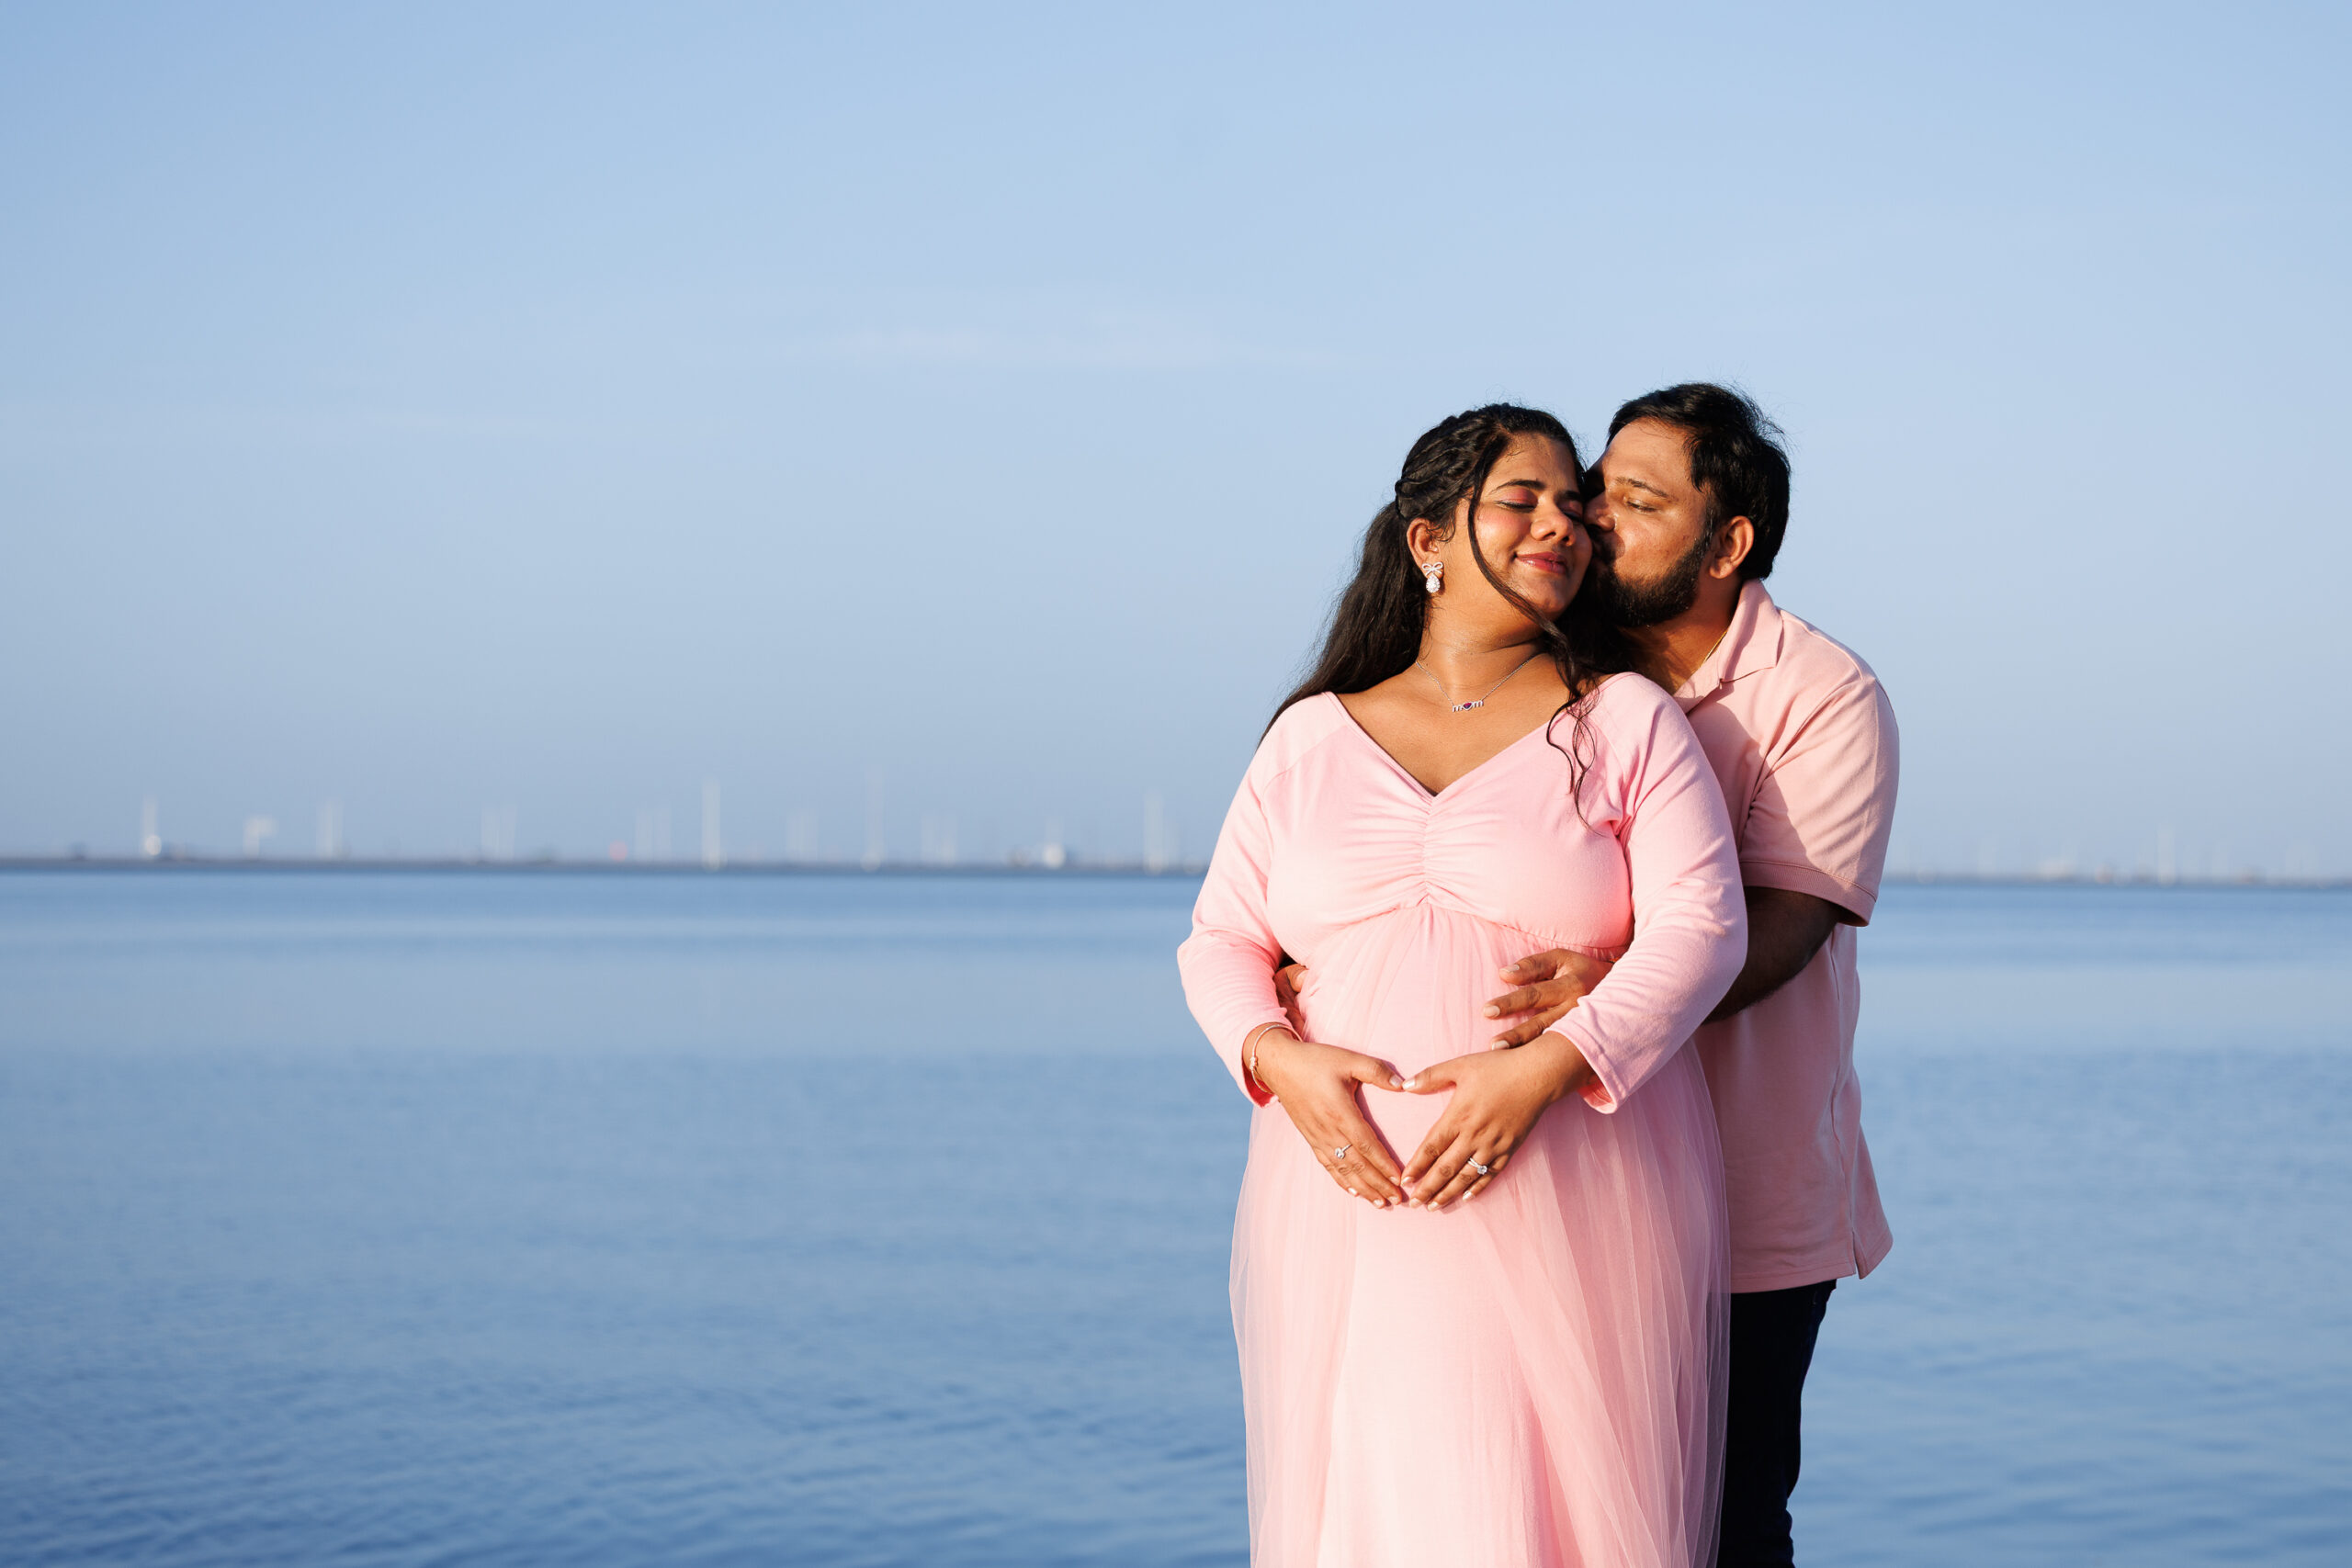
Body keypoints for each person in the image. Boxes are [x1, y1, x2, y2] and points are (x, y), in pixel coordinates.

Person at [1178, 404, 1749, 1567]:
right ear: (1428, 541)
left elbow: (1706, 930)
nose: (1562, 525)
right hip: (1348, 1199)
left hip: (1572, 1187)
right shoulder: (1309, 738)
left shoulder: (1621, 719)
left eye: (1570, 505)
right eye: (1519, 500)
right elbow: (1216, 939)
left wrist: (1544, 1071)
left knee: (1541, 1516)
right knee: (1381, 1501)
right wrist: (1279, 1063)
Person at [1470, 386, 1900, 1567]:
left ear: (1727, 544)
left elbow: (1786, 926)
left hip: (1746, 1196)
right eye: (1597, 488)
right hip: (1569, 1174)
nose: (1594, 519)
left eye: (1637, 501)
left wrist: (1609, 985)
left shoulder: (1823, 695)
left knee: (1722, 1520)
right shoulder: (1547, 666)